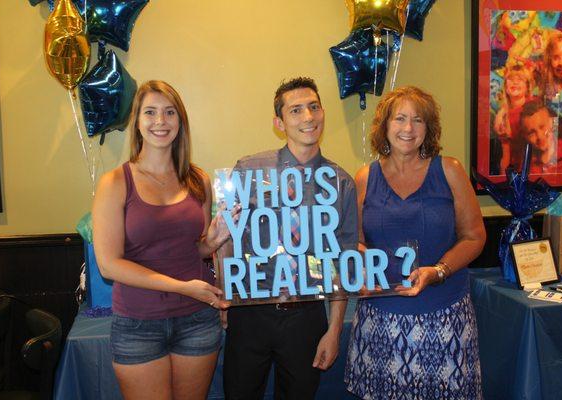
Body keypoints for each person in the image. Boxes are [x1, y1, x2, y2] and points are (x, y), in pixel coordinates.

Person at [92, 80, 237, 400]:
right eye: (151, 112)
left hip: (197, 319)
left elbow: (191, 249)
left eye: (170, 112)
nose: (161, 121)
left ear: (180, 121)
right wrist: (182, 287)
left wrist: (210, 242)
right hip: (137, 324)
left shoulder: (197, 179)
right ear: (137, 122)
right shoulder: (115, 183)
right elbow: (109, 265)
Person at [345, 86, 486, 399]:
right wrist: (360, 257)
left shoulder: (450, 170)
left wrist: (438, 271)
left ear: (429, 128)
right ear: (385, 126)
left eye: (418, 120)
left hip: (445, 317)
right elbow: (354, 241)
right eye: (400, 119)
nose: (408, 129)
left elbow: (475, 236)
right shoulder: (365, 177)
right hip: (380, 321)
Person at [222, 77, 358, 399]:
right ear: (279, 123)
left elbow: (343, 259)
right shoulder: (248, 170)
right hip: (250, 311)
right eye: (295, 110)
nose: (308, 117)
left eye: (313, 107)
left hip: (306, 314)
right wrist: (226, 296)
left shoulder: (341, 184)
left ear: (323, 112)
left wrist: (334, 329)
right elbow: (228, 237)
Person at [519, 99, 562, 174]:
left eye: (542, 127)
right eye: (531, 133)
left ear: (552, 123)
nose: (540, 136)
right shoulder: (527, 162)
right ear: (525, 136)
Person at [492, 63, 535, 171]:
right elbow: (506, 152)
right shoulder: (503, 115)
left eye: (520, 79)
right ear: (505, 86)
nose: (515, 82)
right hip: (514, 169)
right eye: (511, 79)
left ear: (527, 85)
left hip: (533, 168)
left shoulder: (535, 109)